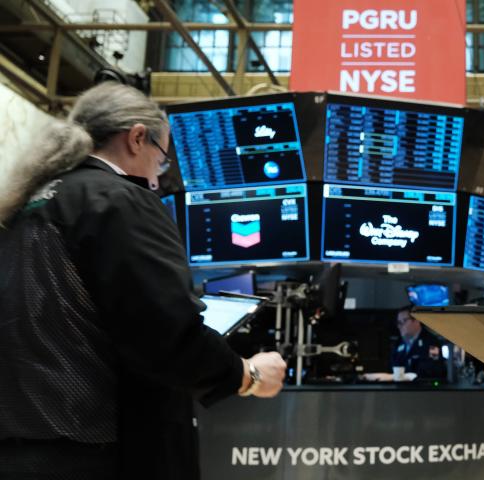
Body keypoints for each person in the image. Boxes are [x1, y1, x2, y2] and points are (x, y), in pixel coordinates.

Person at [0, 82, 287, 480]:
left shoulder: (29, 204)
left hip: (23, 445)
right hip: (96, 452)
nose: (157, 176)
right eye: (161, 159)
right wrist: (247, 374)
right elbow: (164, 332)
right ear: (137, 138)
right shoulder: (120, 200)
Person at [391, 306, 447, 380]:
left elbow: (434, 369)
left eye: (404, 321)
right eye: (399, 322)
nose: (400, 326)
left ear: (416, 321)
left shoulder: (431, 342)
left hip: (423, 388)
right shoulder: (399, 343)